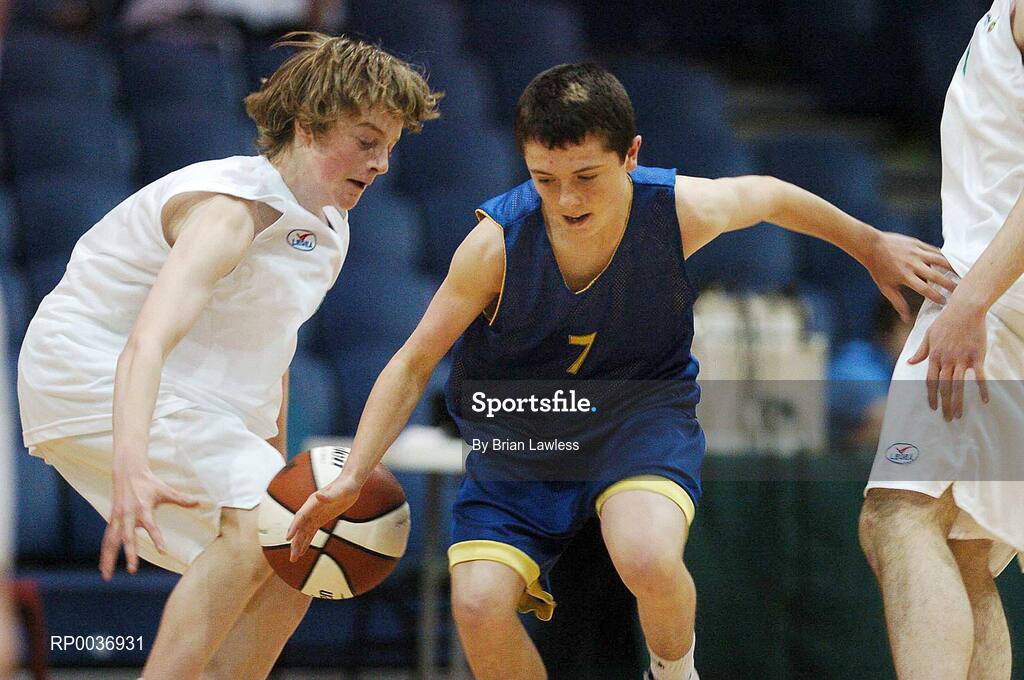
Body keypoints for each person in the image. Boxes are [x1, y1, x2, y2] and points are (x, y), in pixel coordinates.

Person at [287, 63, 952, 680]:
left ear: (630, 156)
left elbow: (771, 195)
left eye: (586, 177)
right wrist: (353, 474)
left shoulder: (676, 210)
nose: (567, 200)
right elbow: (411, 363)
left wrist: (870, 244)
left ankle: (673, 672)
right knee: (478, 603)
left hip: (641, 416)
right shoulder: (495, 245)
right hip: (526, 436)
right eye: (545, 180)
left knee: (646, 554)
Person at [16, 32, 439, 680]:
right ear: (308, 126)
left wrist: (272, 469)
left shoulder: (328, 226)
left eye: (390, 146)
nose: (381, 163)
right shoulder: (231, 209)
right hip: (88, 367)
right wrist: (130, 460)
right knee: (259, 524)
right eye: (366, 140)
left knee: (297, 552)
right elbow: (146, 341)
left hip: (184, 395)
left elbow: (274, 357)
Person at [858, 1, 1024, 678]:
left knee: (899, 512)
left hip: (996, 293)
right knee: (962, 547)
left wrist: (971, 302)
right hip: (997, 288)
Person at [828, 292, 921, 448]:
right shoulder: (854, 364)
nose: (928, 338)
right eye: (915, 328)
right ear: (886, 333)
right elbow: (890, 420)